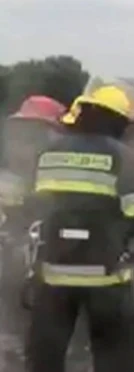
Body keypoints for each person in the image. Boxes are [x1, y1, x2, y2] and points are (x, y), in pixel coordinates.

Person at [22, 85, 134, 372]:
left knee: (48, 338)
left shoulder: (49, 152)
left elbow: (33, 206)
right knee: (114, 339)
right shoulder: (121, 156)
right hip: (104, 273)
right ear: (117, 121)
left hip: (54, 268)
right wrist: (120, 237)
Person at [0, 96, 68, 358]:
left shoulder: (63, 179)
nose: (24, 145)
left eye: (36, 134)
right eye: (21, 134)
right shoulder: (8, 180)